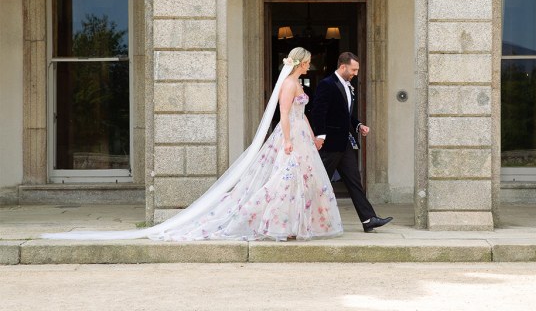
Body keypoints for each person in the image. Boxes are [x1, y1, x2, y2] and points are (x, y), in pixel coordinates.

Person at [42, 47, 343, 241]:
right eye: (307, 62)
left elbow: (301, 114)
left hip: (303, 135)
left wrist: (312, 135)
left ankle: (297, 224)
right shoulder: (290, 84)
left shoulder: (300, 83)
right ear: (300, 62)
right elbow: (284, 115)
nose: (309, 65)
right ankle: (279, 225)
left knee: (303, 182)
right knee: (283, 181)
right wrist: (288, 140)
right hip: (290, 137)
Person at [311, 52, 393, 233]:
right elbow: (318, 111)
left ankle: (368, 219)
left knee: (354, 181)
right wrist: (320, 136)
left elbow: (344, 115)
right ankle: (305, 219)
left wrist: (358, 125)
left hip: (344, 144)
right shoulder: (327, 84)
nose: (356, 73)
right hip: (329, 144)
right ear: (343, 66)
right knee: (319, 183)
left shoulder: (348, 85)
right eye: (354, 69)